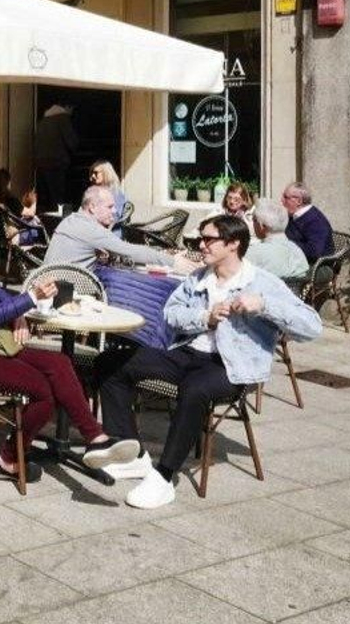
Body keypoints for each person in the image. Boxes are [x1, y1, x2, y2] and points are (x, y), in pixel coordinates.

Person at [98, 214, 323, 509]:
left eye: (208, 239)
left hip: (231, 366)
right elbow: (171, 313)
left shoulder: (262, 283)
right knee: (111, 361)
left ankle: (163, 477)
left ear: (233, 244)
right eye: (200, 239)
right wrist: (205, 317)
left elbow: (312, 326)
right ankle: (133, 454)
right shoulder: (198, 278)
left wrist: (264, 305)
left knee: (195, 390)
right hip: (189, 353)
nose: (200, 245)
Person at [0, 207, 140, 481]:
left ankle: (96, 437)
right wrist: (30, 299)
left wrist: (19, 313)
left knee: (58, 362)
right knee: (43, 391)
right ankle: (7, 460)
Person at [42, 186, 202, 272]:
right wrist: (172, 261)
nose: (114, 211)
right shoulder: (92, 230)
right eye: (109, 207)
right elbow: (130, 251)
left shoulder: (70, 220)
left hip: (45, 287)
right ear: (92, 207)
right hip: (68, 293)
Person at [247, 199, 309, 283]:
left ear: (262, 226)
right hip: (294, 294)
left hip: (263, 295)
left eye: (254, 220)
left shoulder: (254, 252)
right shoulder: (297, 251)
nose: (252, 223)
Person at [33, 104, 78, 211]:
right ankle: (59, 220)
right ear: (67, 107)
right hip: (57, 163)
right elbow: (71, 141)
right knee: (58, 197)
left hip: (41, 163)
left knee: (46, 196)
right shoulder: (63, 119)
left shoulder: (43, 121)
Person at [282, 182, 333, 262]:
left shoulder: (315, 221)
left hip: (319, 266)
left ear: (299, 201)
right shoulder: (294, 216)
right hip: (297, 260)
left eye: (286, 197)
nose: (282, 201)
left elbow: (314, 252)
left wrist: (285, 244)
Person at [90, 160, 129, 237]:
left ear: (106, 173)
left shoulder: (116, 193)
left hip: (109, 235)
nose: (93, 176)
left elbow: (114, 216)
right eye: (91, 173)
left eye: (96, 173)